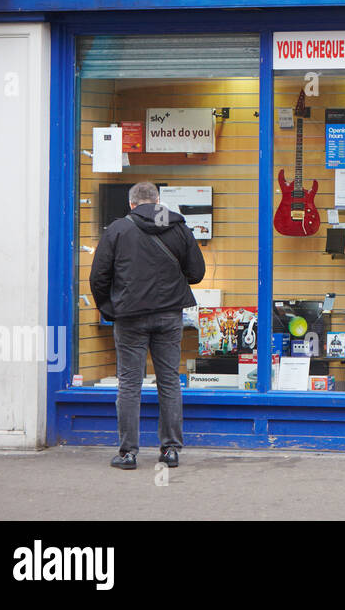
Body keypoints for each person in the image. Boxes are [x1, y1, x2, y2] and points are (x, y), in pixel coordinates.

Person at [89, 181, 205, 471]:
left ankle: (128, 454)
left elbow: (98, 277)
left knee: (129, 384)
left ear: (131, 204)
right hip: (169, 315)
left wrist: (109, 308)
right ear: (157, 201)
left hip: (130, 317)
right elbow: (197, 272)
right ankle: (170, 451)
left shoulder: (117, 230)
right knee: (169, 382)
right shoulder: (177, 226)